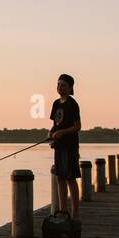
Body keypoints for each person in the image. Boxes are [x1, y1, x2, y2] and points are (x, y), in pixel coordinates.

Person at [48, 73, 81, 226]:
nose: (60, 87)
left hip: (70, 146)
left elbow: (77, 126)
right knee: (60, 178)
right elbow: (56, 123)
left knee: (70, 178)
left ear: (70, 87)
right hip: (58, 146)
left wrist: (62, 132)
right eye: (58, 84)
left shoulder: (72, 104)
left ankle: (75, 213)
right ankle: (63, 210)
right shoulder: (56, 103)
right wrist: (51, 132)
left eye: (63, 85)